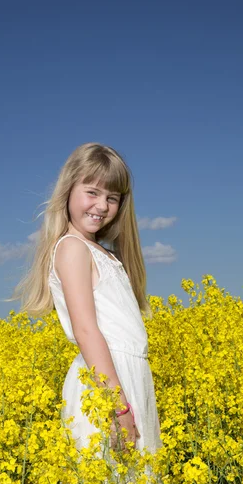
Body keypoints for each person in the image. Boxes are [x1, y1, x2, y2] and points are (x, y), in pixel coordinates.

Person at [12, 142, 162, 454]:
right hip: (105, 389)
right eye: (92, 192)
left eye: (112, 198)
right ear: (67, 190)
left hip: (121, 380)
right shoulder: (72, 248)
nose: (102, 205)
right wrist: (117, 408)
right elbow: (86, 330)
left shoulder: (101, 252)